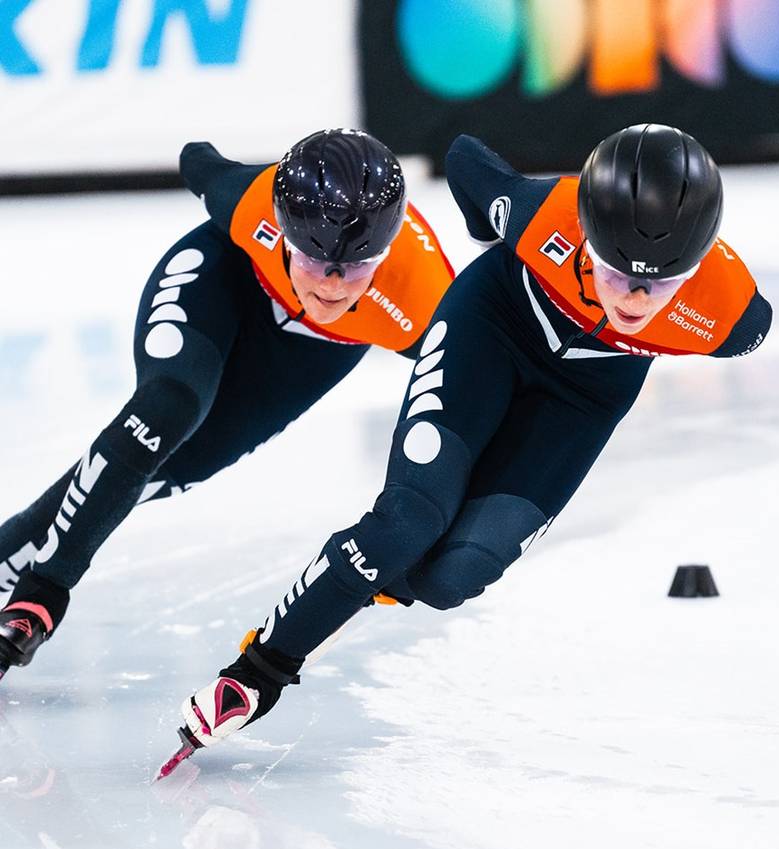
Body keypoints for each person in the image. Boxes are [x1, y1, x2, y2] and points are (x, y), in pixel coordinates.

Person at [159, 122, 773, 766]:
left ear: (698, 266)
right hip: (492, 326)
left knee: (453, 573)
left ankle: (356, 578)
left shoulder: (733, 316)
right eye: (615, 271)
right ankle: (257, 671)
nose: (637, 297)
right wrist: (492, 237)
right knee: (407, 522)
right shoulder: (541, 218)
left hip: (583, 398)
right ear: (585, 233)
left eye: (662, 283)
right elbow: (463, 159)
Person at [0, 129, 455, 679]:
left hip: (311, 354)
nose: (332, 287)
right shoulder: (250, 201)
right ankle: (41, 596)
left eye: (358, 267)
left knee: (166, 471)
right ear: (283, 231)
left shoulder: (425, 302)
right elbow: (200, 162)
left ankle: (22, 584)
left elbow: (487, 393)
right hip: (223, 283)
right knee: (168, 407)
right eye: (313, 259)